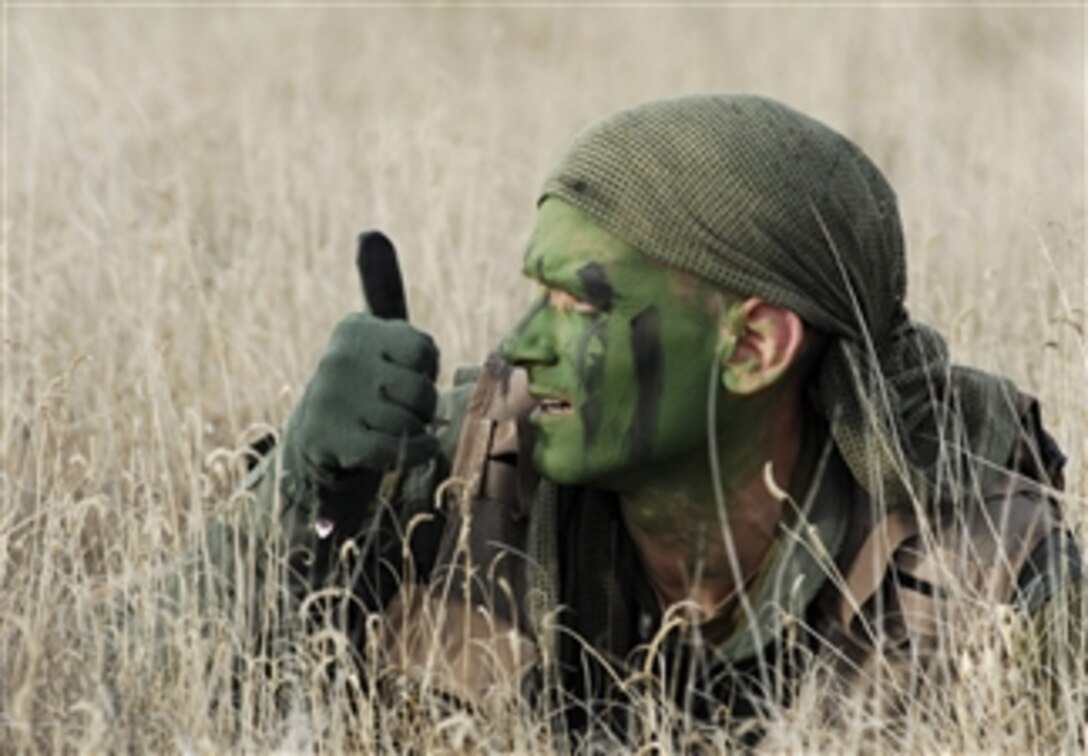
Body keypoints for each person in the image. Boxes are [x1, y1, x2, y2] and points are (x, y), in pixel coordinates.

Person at [226, 94, 1078, 741]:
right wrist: (301, 493)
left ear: (754, 347)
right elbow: (127, 671)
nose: (521, 345)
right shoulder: (460, 466)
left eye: (579, 305)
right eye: (535, 292)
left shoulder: (990, 570)